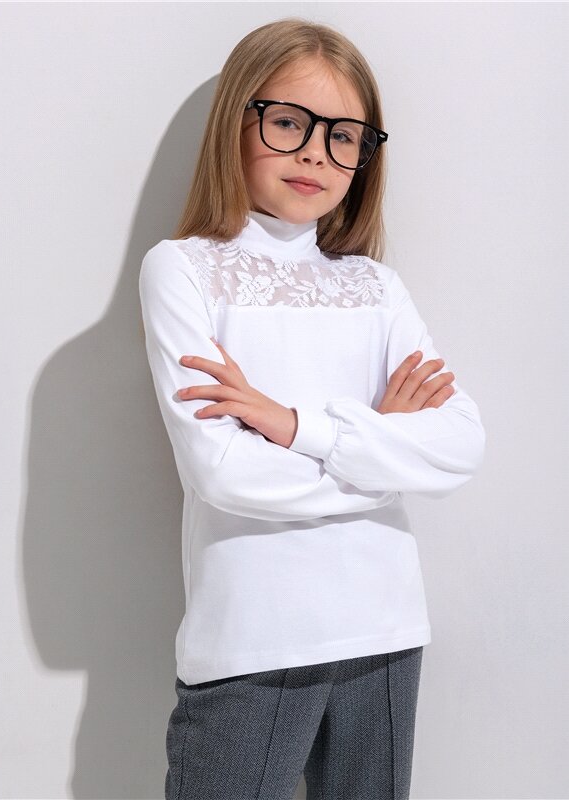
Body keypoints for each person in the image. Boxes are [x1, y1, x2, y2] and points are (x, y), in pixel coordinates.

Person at [138, 17, 486, 800]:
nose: (316, 154)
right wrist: (384, 448)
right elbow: (225, 474)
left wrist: (293, 426)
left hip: (385, 625)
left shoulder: (374, 286)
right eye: (289, 123)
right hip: (253, 636)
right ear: (236, 122)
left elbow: (460, 444)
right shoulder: (184, 271)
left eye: (344, 136)